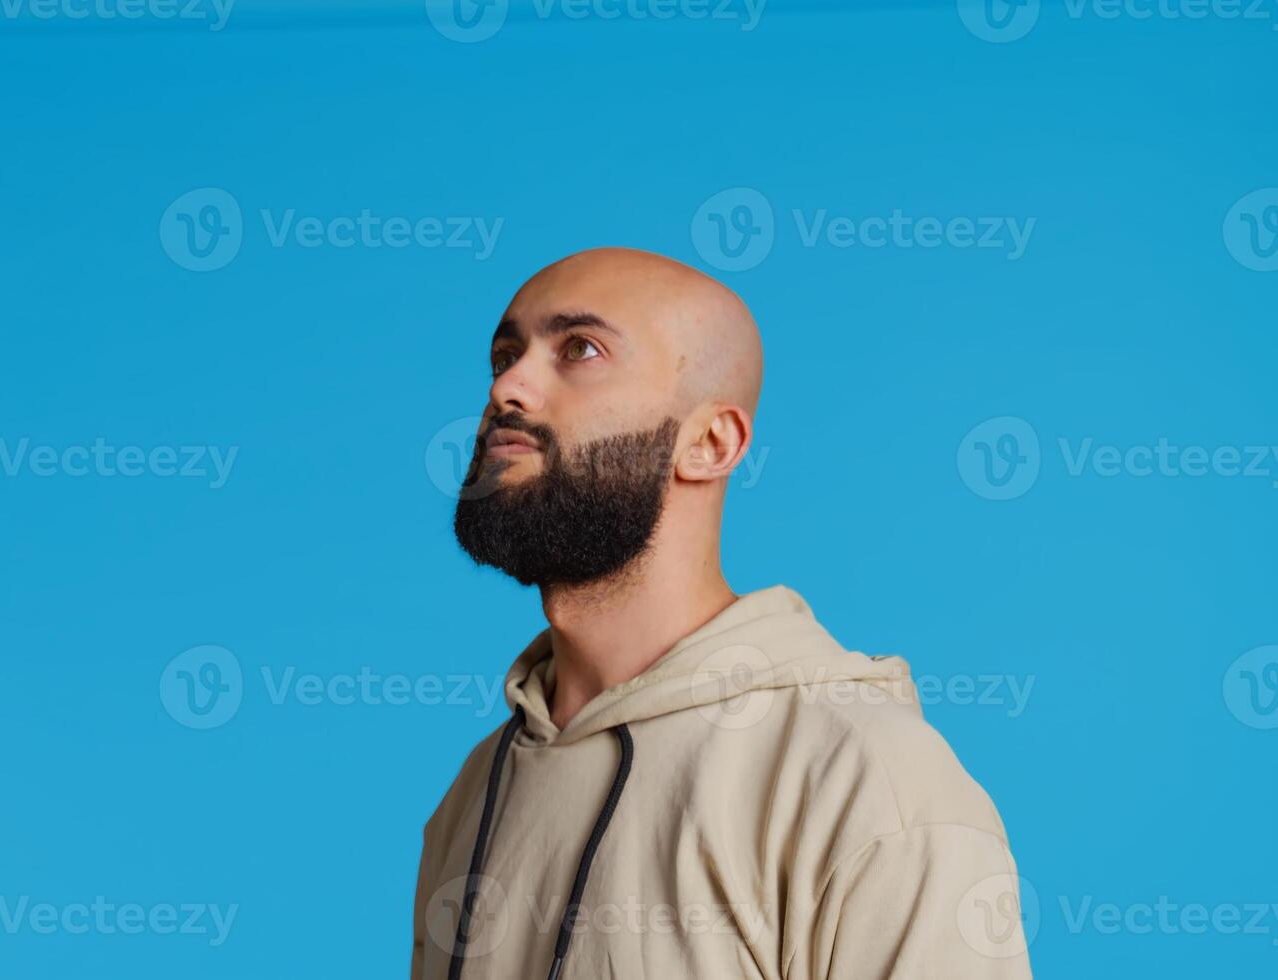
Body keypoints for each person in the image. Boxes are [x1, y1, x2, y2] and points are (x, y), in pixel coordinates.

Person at [412, 248, 1031, 980]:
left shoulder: (865, 778)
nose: (507, 387)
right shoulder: (478, 788)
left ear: (709, 445)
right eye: (504, 354)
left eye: (579, 349)